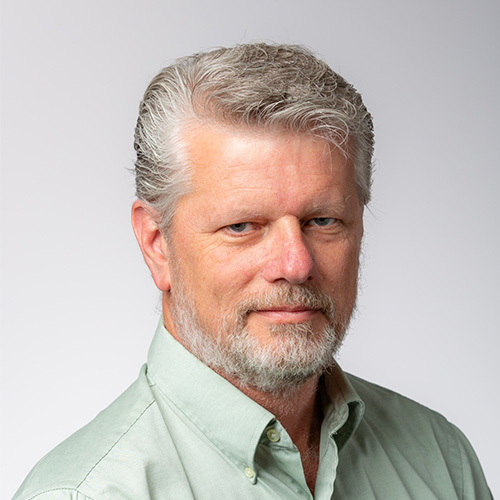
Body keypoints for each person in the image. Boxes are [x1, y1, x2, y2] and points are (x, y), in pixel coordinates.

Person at [13, 43, 492, 500]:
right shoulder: (84, 494)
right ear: (157, 245)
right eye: (242, 226)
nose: (296, 264)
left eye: (322, 221)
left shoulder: (441, 460)